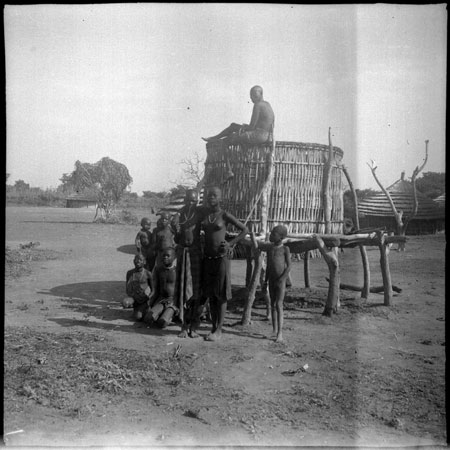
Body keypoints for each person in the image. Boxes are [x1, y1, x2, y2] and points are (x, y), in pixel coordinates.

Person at [191, 186, 248, 341]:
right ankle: (213, 328)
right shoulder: (205, 214)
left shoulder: (224, 215)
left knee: (221, 295)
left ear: (220, 198)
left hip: (221, 259)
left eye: (215, 196)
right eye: (209, 195)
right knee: (211, 294)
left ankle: (219, 330)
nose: (211, 198)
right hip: (207, 259)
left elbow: (245, 230)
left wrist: (230, 244)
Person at [173, 189, 206, 338]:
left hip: (195, 254)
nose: (191, 203)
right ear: (185, 200)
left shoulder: (200, 213)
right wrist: (176, 229)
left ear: (198, 201)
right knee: (182, 289)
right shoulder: (180, 215)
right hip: (183, 253)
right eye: (188, 200)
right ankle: (183, 326)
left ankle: (194, 326)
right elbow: (177, 237)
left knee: (196, 291)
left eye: (193, 201)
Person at [251, 225, 291, 343]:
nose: (271, 235)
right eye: (272, 233)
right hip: (272, 280)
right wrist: (266, 281)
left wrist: (282, 279)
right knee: (272, 304)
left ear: (281, 237)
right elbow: (268, 267)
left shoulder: (285, 249)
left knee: (279, 305)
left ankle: (280, 333)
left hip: (280, 281)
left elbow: (289, 267)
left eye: (274, 233)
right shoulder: (270, 249)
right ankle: (274, 330)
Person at [202, 85, 274, 146]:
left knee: (233, 137)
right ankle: (215, 138)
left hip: (259, 135)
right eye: (251, 95)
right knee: (233, 126)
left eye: (253, 95)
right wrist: (243, 127)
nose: (251, 98)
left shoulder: (258, 105)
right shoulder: (267, 104)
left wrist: (244, 128)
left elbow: (251, 127)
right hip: (265, 135)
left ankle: (215, 141)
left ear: (260, 94)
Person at [144, 247, 178, 329]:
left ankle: (170, 316)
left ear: (174, 257)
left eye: (168, 256)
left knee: (162, 322)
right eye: (163, 256)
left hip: (173, 301)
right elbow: (155, 289)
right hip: (161, 299)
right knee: (148, 318)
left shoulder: (177, 271)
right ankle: (161, 314)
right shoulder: (159, 270)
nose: (165, 257)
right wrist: (149, 303)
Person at [123, 254, 153, 321]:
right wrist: (133, 296)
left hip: (144, 299)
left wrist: (148, 298)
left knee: (142, 317)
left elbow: (153, 290)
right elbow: (127, 289)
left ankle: (144, 309)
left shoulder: (148, 273)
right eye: (136, 259)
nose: (138, 261)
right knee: (125, 302)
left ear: (144, 262)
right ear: (133, 261)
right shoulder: (130, 273)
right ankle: (136, 309)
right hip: (135, 298)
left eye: (140, 260)